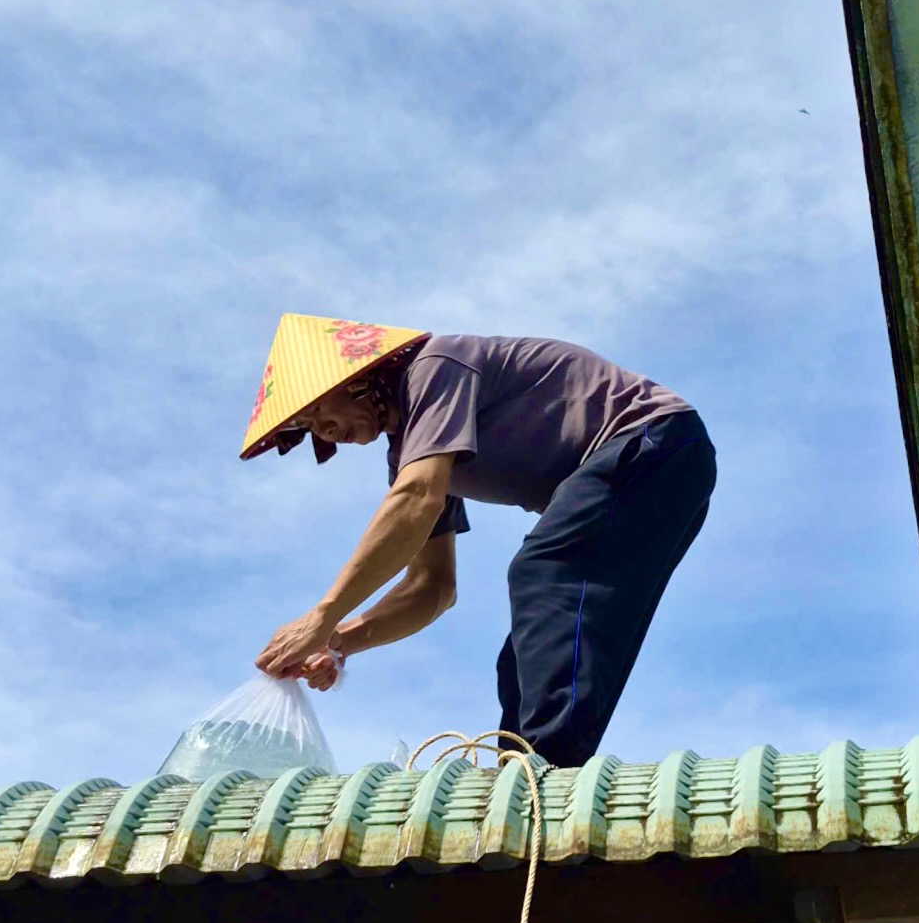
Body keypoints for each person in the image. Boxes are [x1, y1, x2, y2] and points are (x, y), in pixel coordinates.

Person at [244, 315, 715, 768]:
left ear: (357, 379)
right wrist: (338, 642)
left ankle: (544, 772)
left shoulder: (435, 366)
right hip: (660, 469)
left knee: (546, 574)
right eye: (307, 431)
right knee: (528, 654)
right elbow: (431, 588)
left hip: (651, 442)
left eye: (318, 413)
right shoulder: (416, 451)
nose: (322, 433)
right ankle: (520, 772)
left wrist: (323, 614)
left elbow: (416, 497)